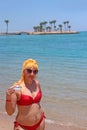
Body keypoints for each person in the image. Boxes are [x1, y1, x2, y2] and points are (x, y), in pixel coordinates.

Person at [5, 58, 45, 130]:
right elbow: (10, 112)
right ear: (23, 71)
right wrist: (8, 97)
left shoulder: (37, 83)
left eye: (35, 71)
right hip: (23, 127)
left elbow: (36, 104)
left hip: (40, 122)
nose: (32, 74)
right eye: (29, 71)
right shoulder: (17, 88)